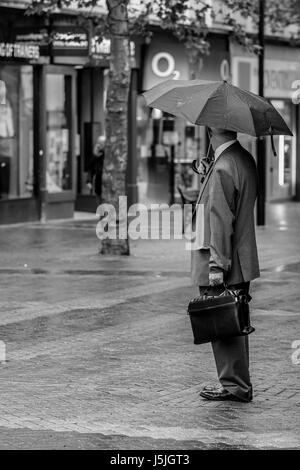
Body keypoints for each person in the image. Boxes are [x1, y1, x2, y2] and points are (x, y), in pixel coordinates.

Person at [191, 127, 260, 403]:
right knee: (235, 321)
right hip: (242, 255)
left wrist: (217, 267)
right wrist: (208, 174)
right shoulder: (242, 158)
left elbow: (219, 220)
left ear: (210, 130)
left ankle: (233, 385)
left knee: (224, 325)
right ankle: (238, 382)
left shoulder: (223, 166)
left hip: (223, 259)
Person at [86, 136, 105, 206]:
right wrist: (89, 181)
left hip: (106, 185)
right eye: (98, 143)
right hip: (98, 186)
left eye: (101, 143)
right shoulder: (96, 155)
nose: (99, 145)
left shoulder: (107, 155)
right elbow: (91, 169)